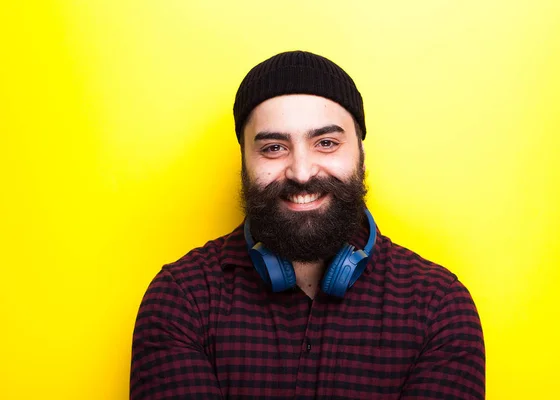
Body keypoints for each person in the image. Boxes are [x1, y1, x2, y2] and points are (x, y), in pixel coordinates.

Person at [130, 50, 485, 399]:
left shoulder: (439, 307)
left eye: (326, 143)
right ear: (244, 162)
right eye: (273, 148)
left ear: (360, 152)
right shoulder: (182, 299)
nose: (301, 172)